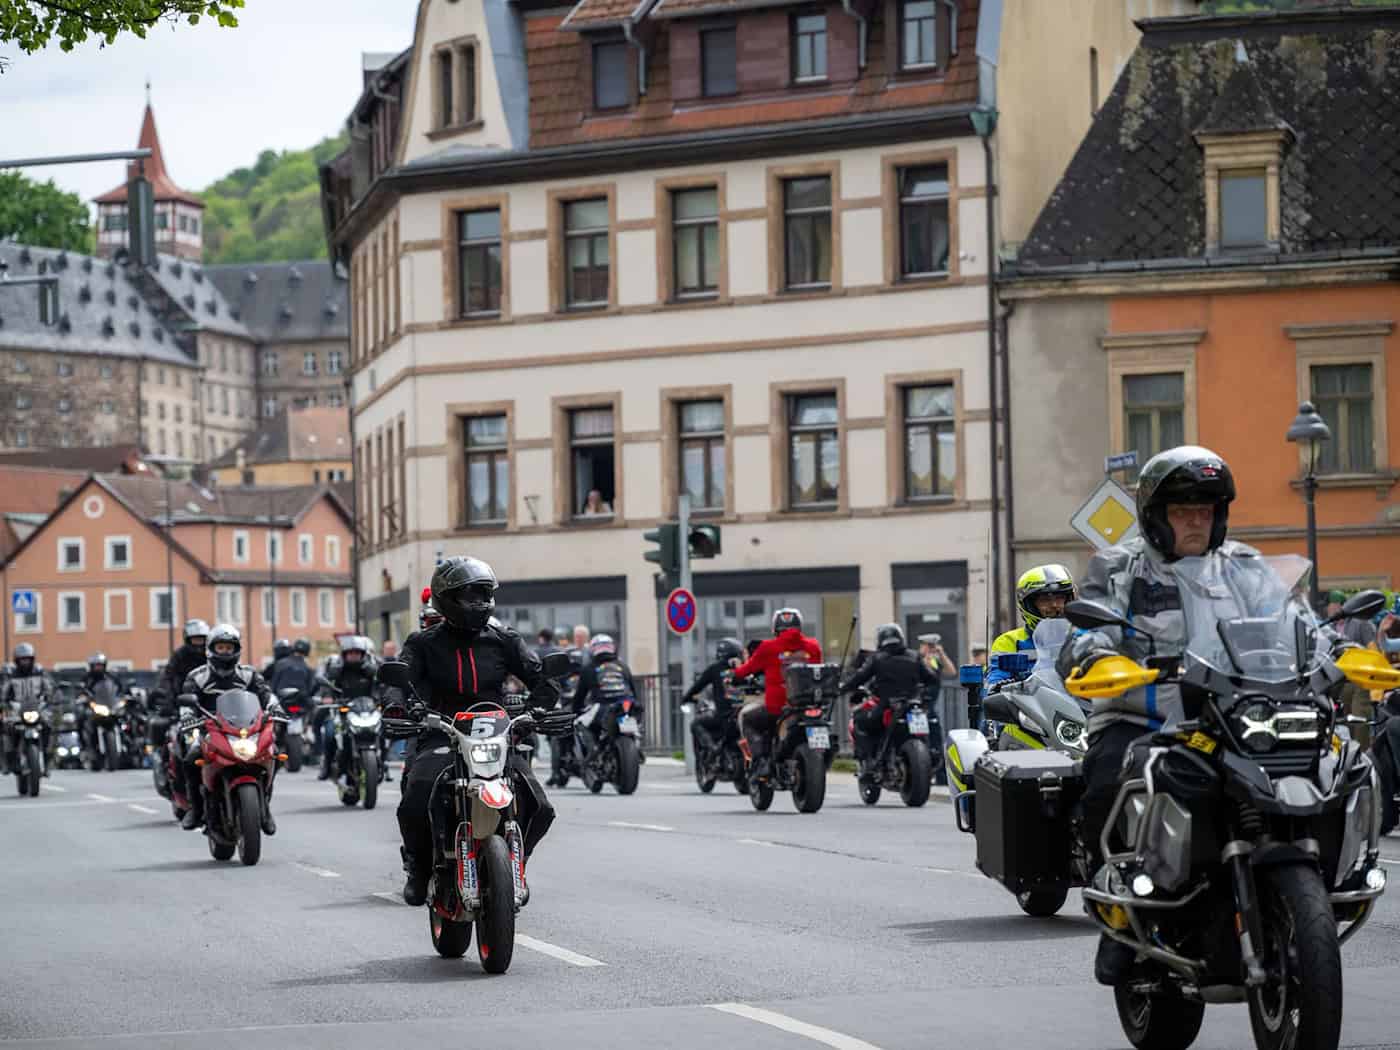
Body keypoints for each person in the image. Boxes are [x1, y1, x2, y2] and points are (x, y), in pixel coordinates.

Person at [1056, 445, 1254, 985]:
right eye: (1183, 508)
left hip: (1226, 720)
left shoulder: (1242, 568)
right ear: (1156, 514)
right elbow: (1084, 633)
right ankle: (1120, 910)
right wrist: (1095, 653)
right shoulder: (1119, 566)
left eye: (1207, 509)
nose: (1196, 519)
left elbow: (1293, 620)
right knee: (1105, 781)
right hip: (1141, 720)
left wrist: (1331, 650)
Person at [396, 556, 556, 906]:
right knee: (415, 798)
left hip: (494, 735)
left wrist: (540, 705)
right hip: (442, 732)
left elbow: (539, 675)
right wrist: (399, 705)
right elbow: (400, 679)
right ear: (447, 598)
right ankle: (419, 869)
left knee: (540, 806)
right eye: (470, 595)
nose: (479, 603)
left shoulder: (503, 639)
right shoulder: (423, 643)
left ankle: (514, 861)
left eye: (484, 595)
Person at [179, 624, 280, 834]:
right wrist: (188, 717)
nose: (225, 652)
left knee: (274, 755)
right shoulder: (197, 676)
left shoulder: (249, 674)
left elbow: (266, 694)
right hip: (210, 729)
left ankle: (265, 807)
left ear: (236, 649)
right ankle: (195, 810)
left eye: (229, 647)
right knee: (191, 758)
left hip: (245, 729)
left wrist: (275, 707)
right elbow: (187, 703)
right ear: (211, 649)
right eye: (221, 648)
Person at [731, 609, 823, 779]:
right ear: (799, 626)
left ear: (775, 628)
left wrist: (735, 674)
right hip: (809, 704)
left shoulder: (767, 647)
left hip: (778, 708)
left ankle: (762, 762)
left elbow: (746, 670)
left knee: (748, 718)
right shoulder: (813, 646)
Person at [841, 623, 939, 767]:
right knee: (932, 724)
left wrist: (842, 689)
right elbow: (933, 680)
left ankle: (869, 763)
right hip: (913, 705)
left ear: (880, 640)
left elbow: (859, 678)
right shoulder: (914, 656)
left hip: (887, 706)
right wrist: (925, 699)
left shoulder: (877, 658)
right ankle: (933, 755)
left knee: (860, 722)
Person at [986, 565, 1077, 688]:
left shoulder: (1082, 635)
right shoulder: (1009, 642)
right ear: (1029, 605)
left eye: (1060, 598)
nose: (1054, 605)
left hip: (1079, 704)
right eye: (1045, 599)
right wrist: (997, 688)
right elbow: (995, 681)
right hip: (1030, 706)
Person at [570, 634, 643, 758]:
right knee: (635, 727)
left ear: (593, 650)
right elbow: (634, 691)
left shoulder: (589, 668)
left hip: (602, 707)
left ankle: (593, 751)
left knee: (579, 724)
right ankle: (637, 749)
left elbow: (580, 696)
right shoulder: (623, 666)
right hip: (628, 706)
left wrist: (575, 711)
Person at [319, 635, 378, 782]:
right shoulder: (336, 669)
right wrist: (327, 696)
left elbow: (382, 684)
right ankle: (327, 765)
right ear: (344, 654)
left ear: (362, 654)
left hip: (366, 710)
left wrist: (382, 696)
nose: (353, 656)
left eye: (357, 653)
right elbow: (327, 683)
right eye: (350, 653)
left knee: (384, 730)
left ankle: (382, 761)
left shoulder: (370, 670)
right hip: (342, 711)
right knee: (330, 732)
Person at [683, 637, 744, 759]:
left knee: (696, 723)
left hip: (723, 715)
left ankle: (712, 748)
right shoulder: (743, 667)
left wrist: (686, 698)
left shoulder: (715, 669)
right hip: (740, 713)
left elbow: (698, 686)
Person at [3, 643, 52, 775]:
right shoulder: (11, 675)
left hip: (37, 708)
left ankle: (47, 760)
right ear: (17, 660)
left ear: (32, 659)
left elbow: (48, 688)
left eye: (27, 659)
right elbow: (4, 692)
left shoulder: (39, 672)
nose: (25, 662)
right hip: (17, 710)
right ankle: (9, 761)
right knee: (7, 728)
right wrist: (4, 702)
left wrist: (50, 698)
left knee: (48, 726)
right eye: (22, 659)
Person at [79, 653, 125, 760]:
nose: (98, 668)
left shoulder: (111, 677)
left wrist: (124, 696)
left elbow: (120, 689)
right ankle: (85, 746)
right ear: (91, 666)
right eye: (96, 665)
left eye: (100, 665)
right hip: (94, 707)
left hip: (111, 707)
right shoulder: (87, 678)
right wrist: (83, 697)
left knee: (128, 718)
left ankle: (129, 747)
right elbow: (81, 691)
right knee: (81, 719)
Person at [269, 636, 317, 705]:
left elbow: (273, 684)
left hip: (281, 703)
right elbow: (310, 689)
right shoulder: (308, 669)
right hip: (300, 704)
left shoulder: (280, 663)